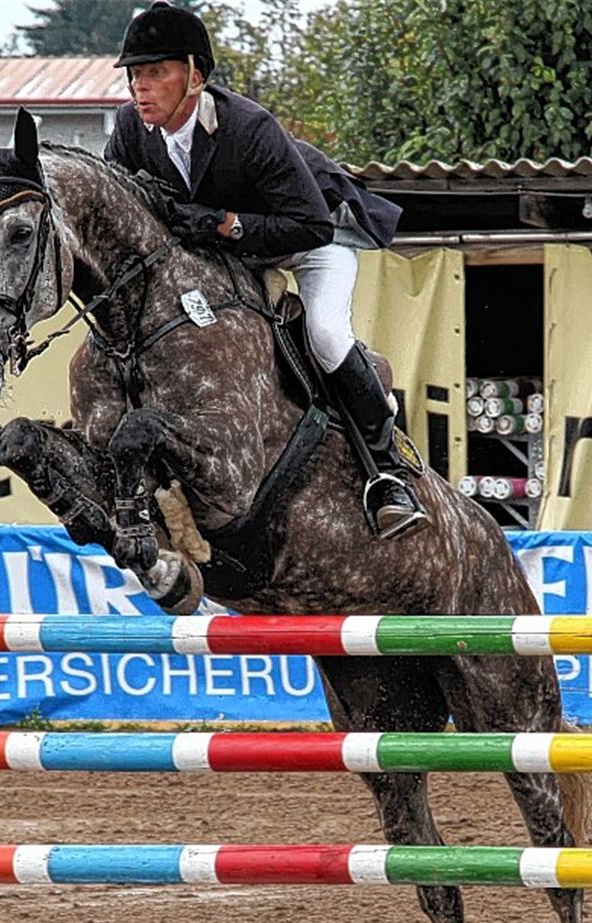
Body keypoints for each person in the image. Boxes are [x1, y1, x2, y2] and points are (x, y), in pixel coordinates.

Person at [104, 0, 427, 540]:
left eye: (155, 73)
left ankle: (386, 473)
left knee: (325, 334)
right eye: (134, 75)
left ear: (195, 77)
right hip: (229, 252)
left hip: (310, 239)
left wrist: (225, 223)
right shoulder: (130, 130)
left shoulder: (249, 127)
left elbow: (310, 225)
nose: (140, 87)